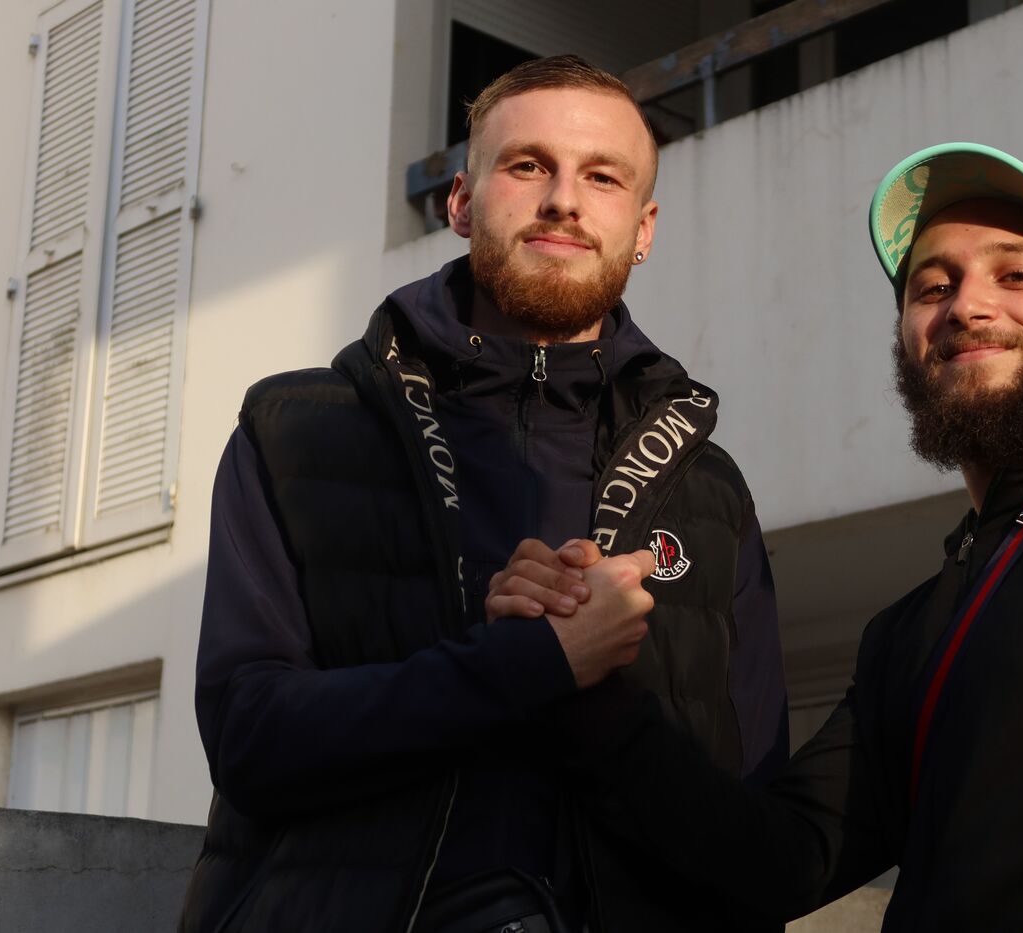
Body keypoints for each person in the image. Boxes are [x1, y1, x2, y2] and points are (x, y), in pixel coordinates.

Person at [541, 143, 1023, 931]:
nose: (965, 307)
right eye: (932, 287)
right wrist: (579, 681)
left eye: (1014, 274)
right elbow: (779, 859)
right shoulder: (914, 625)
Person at [179, 56, 787, 933]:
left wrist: (586, 687)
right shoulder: (296, 428)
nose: (565, 200)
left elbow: (751, 840)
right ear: (461, 202)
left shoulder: (710, 491)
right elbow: (250, 739)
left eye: (603, 177)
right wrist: (527, 663)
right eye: (529, 164)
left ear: (644, 226)